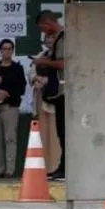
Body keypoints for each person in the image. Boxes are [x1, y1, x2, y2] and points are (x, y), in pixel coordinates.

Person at [34, 10, 66, 181]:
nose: (43, 31)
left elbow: (63, 63)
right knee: (61, 132)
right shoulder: (58, 40)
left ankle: (65, 168)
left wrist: (43, 62)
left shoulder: (63, 38)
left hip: (65, 91)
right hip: (59, 92)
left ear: (48, 23)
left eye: (42, 27)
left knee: (65, 131)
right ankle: (63, 167)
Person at [0, 39, 27, 178]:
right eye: (4, 49)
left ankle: (10, 170)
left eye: (9, 49)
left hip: (11, 107)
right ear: (0, 51)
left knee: (10, 138)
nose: (7, 51)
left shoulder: (17, 68)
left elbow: (22, 88)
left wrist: (8, 93)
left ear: (12, 51)